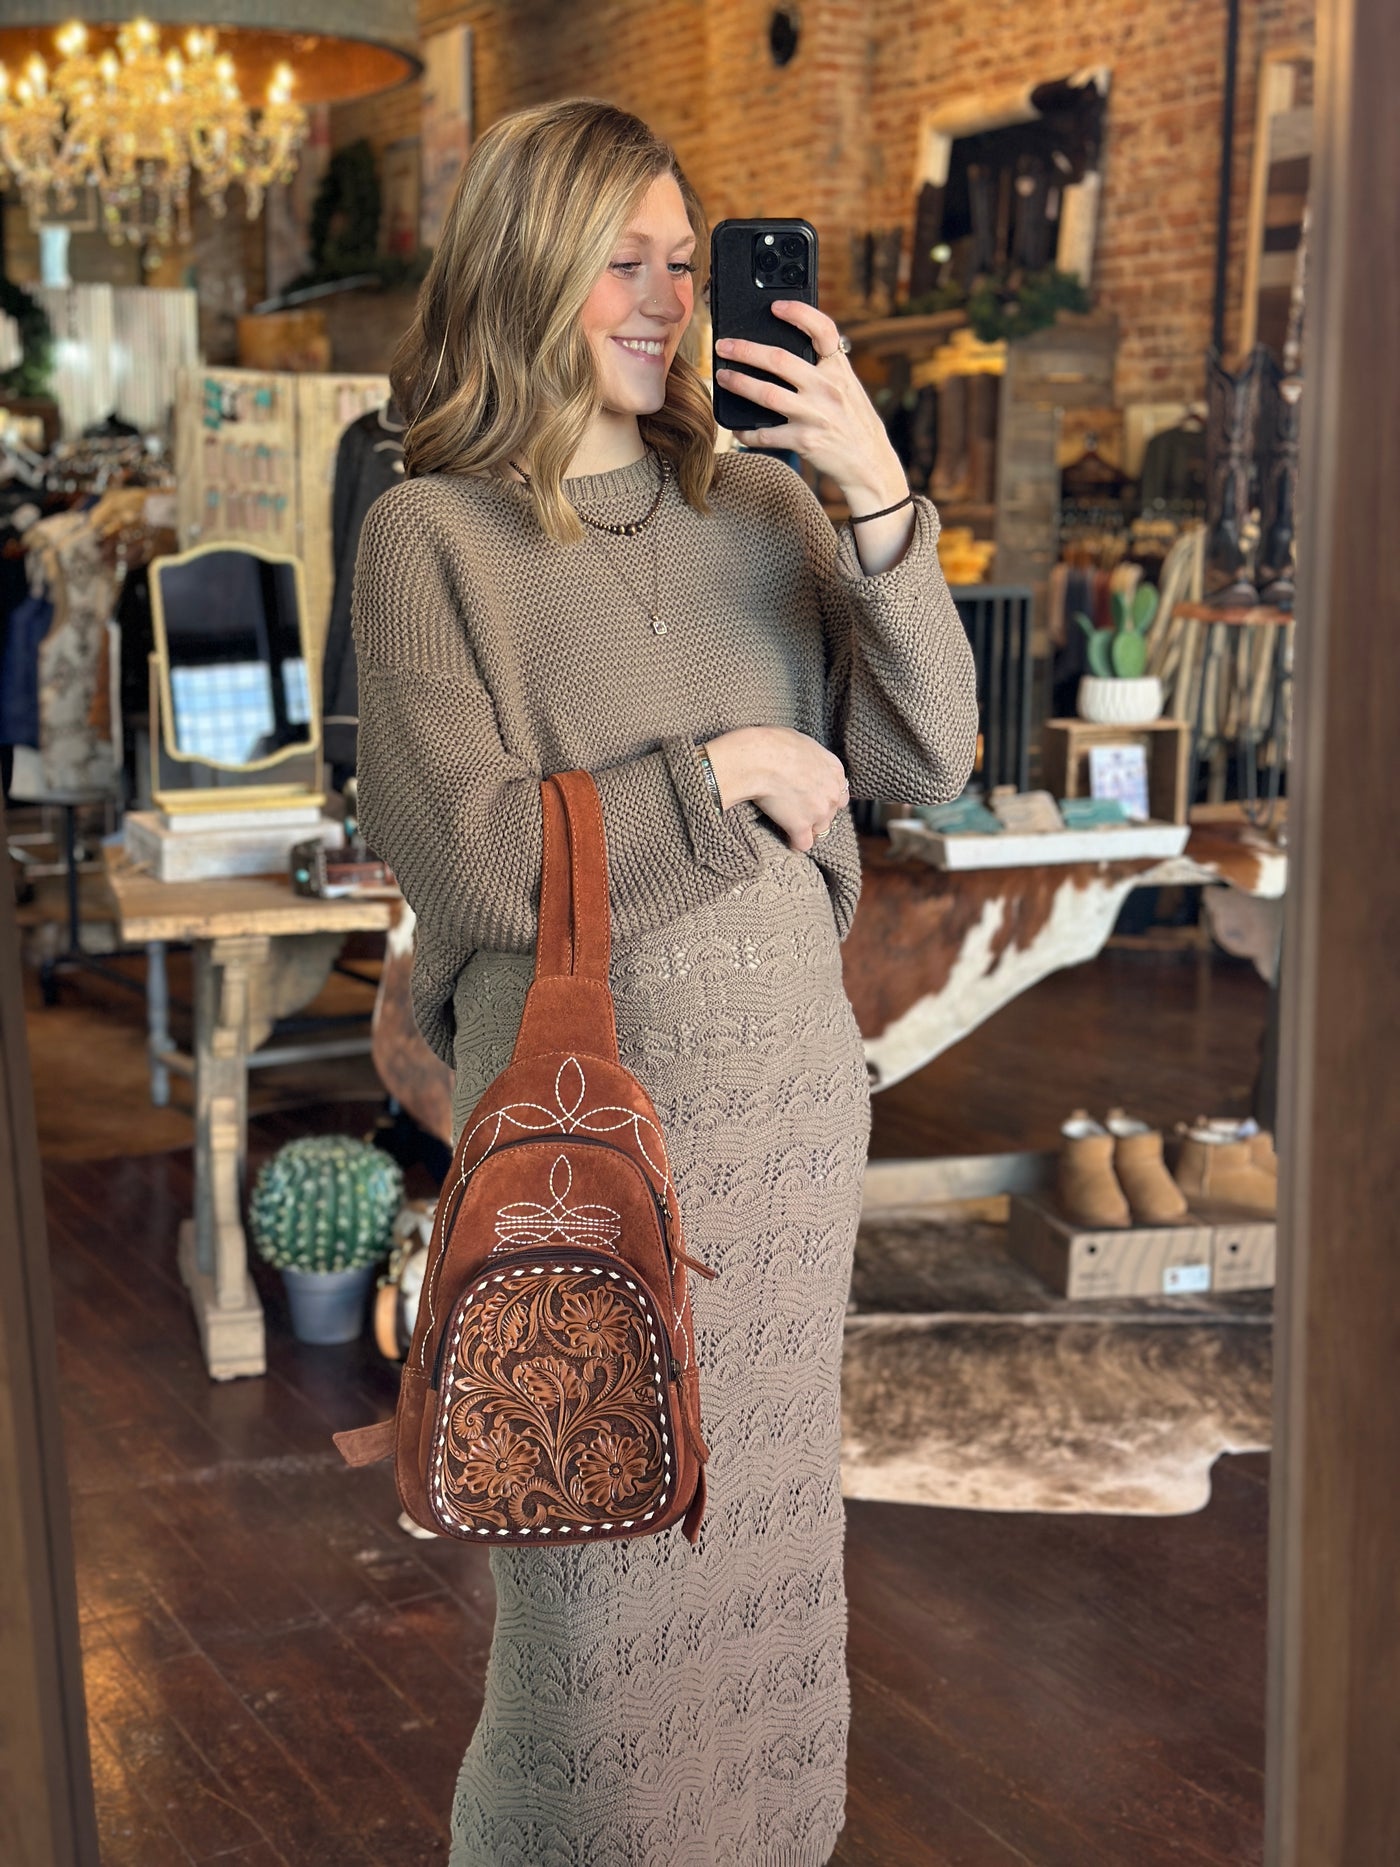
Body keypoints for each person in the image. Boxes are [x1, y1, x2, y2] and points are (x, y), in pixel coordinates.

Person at [351, 96, 978, 1867]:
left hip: (786, 1142)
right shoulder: (434, 540)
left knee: (774, 1592)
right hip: (583, 1153)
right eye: (619, 260)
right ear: (523, 269)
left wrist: (875, 500)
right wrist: (722, 780)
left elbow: (930, 755)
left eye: (685, 262)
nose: (666, 297)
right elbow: (468, 865)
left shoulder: (764, 502)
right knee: (602, 1641)